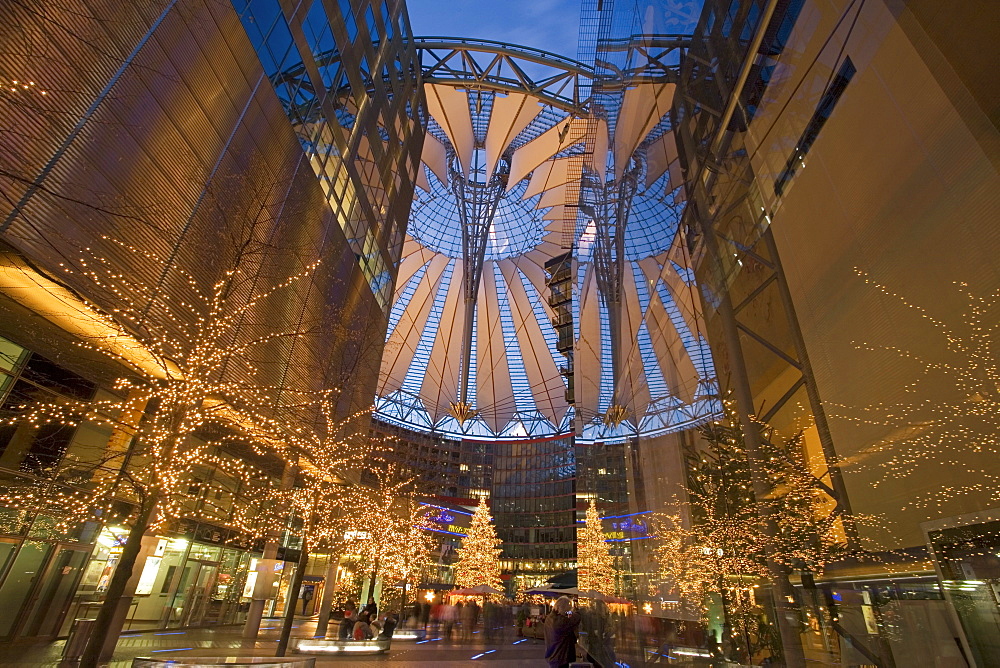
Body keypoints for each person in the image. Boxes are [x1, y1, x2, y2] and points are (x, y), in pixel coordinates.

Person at [543, 596, 581, 668]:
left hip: (552, 655)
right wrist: (577, 610)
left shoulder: (550, 617)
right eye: (568, 609)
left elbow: (567, 613)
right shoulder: (561, 622)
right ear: (564, 608)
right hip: (560, 657)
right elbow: (576, 617)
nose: (569, 611)